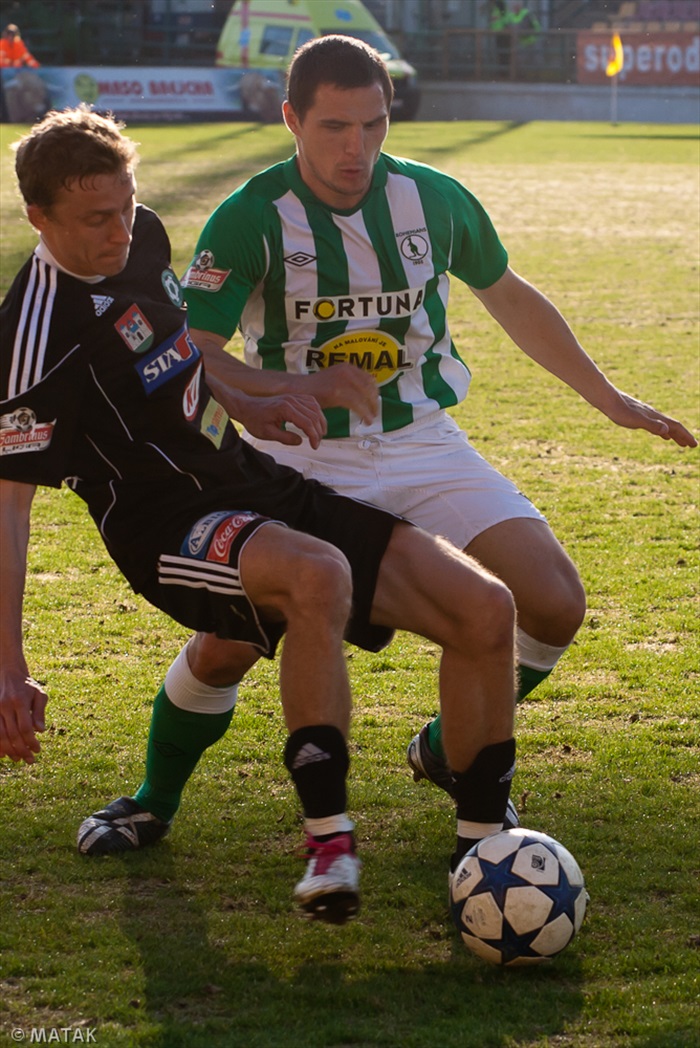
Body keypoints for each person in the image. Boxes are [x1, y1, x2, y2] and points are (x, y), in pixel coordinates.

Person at [0, 106, 520, 925]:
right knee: (317, 575)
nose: (118, 231)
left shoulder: (141, 239)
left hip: (248, 479)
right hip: (165, 528)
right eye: (94, 218)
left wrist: (257, 401)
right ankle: (328, 844)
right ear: (39, 216)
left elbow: (181, 366)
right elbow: (10, 508)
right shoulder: (34, 334)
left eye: (126, 206)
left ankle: (484, 850)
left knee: (487, 609)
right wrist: (7, 664)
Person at [179, 34, 697, 799]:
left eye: (375, 124)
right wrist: (297, 386)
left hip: (422, 439)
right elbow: (191, 353)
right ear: (291, 118)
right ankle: (152, 799)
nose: (357, 148)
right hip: (300, 454)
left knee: (554, 601)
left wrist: (608, 398)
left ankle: (452, 746)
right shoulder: (250, 217)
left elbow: (512, 297)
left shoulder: (434, 199)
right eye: (334, 128)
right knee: (228, 646)